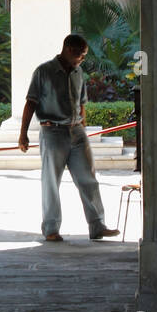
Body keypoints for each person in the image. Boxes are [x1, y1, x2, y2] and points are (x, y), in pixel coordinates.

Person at [18, 34, 120, 243]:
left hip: (76, 131)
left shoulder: (78, 72)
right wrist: (23, 134)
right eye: (79, 54)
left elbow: (81, 102)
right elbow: (31, 102)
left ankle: (97, 226)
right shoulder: (44, 72)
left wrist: (82, 127)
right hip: (53, 132)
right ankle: (51, 228)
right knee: (51, 182)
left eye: (84, 55)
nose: (82, 58)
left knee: (88, 179)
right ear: (67, 49)